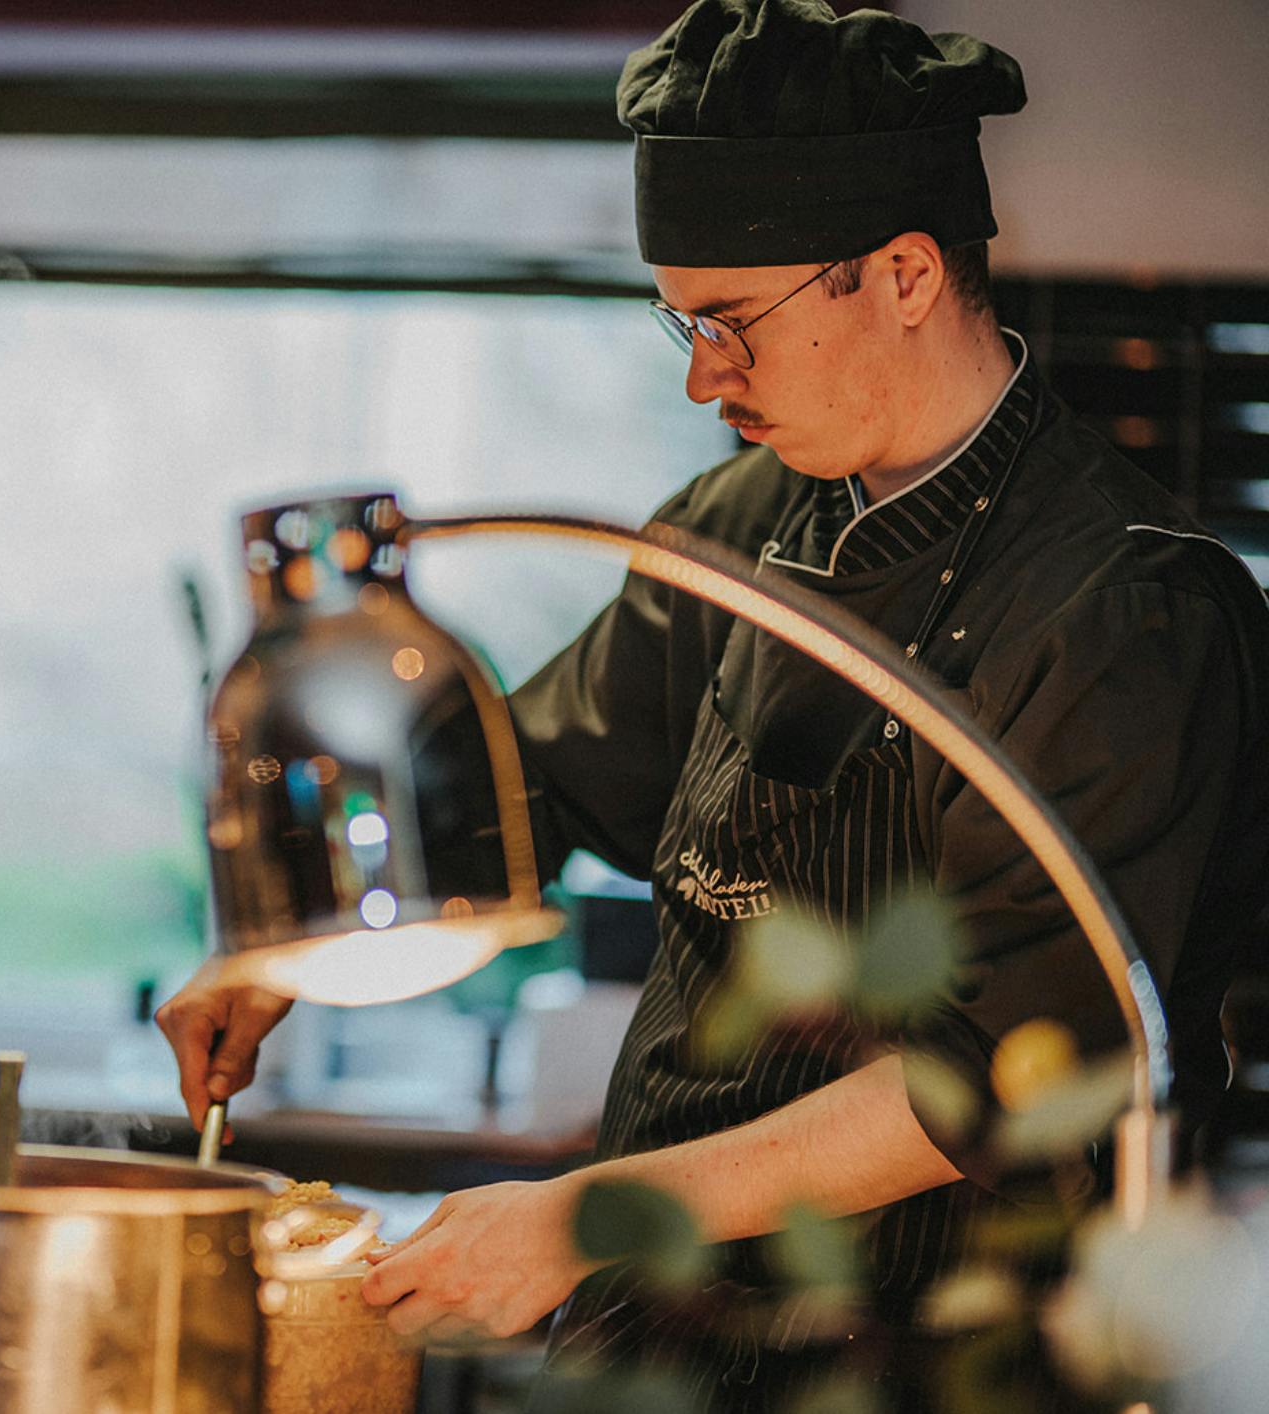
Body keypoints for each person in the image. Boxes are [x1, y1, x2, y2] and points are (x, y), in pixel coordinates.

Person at [157, 0, 1269, 1405]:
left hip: (947, 1365)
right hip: (666, 1348)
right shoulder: (741, 523)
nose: (701, 377)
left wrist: (577, 1214)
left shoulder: (1126, 614)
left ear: (907, 272)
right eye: (681, 319)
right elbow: (536, 782)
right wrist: (284, 942)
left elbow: (983, 1070)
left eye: (735, 323)